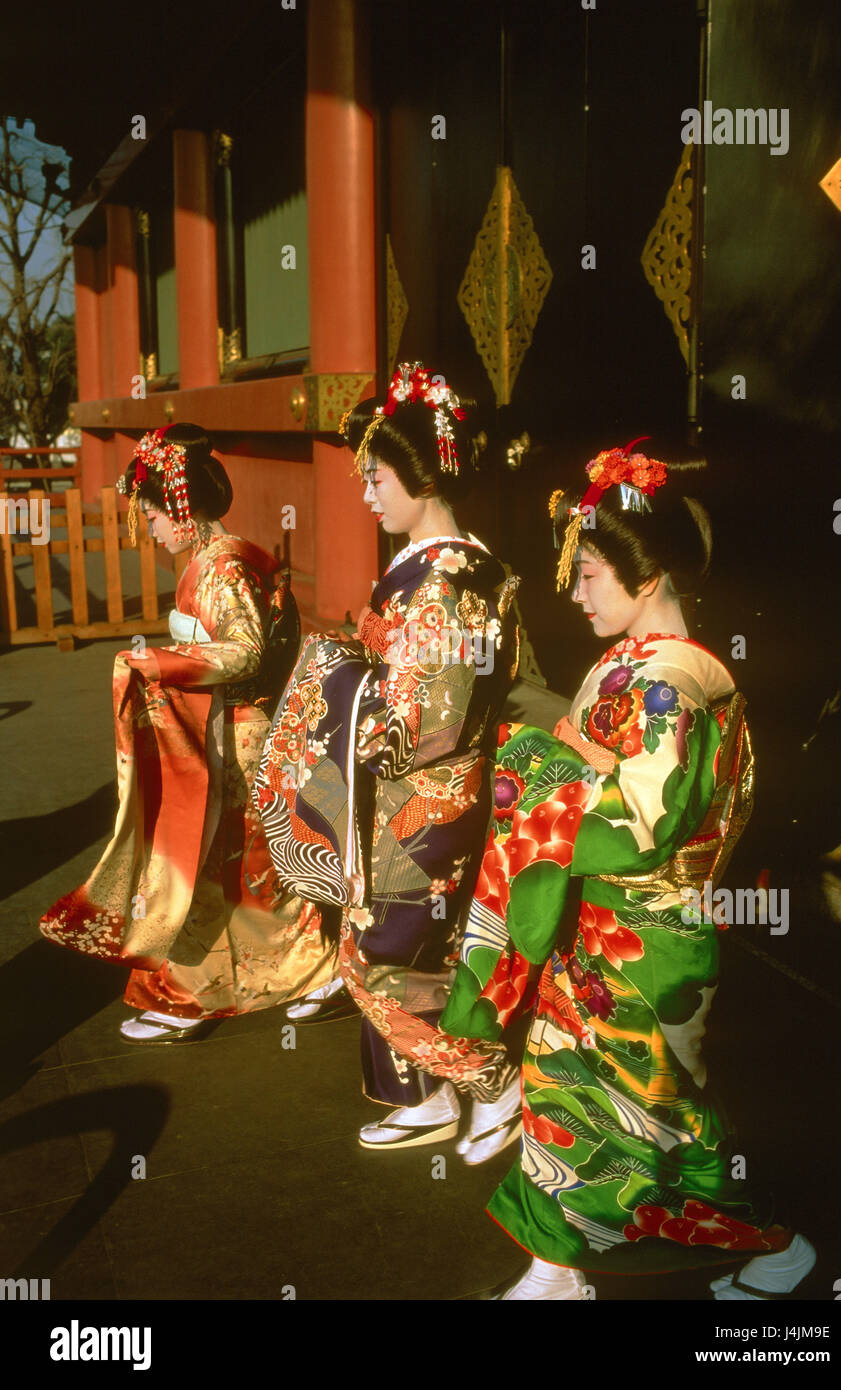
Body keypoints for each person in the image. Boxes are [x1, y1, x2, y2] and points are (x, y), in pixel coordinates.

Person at [440, 439, 816, 1298]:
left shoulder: (673, 686)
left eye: (589, 577)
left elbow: (639, 821)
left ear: (646, 579)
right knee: (565, 1094)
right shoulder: (630, 667)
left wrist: (533, 774)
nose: (573, 595)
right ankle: (559, 1269)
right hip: (598, 923)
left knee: (661, 1115)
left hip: (648, 932)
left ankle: (771, 1245)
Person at [254, 363, 522, 1159]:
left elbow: (424, 716)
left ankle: (490, 1080)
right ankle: (421, 1092)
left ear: (419, 473)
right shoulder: (453, 564)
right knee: (392, 939)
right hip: (418, 786)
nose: (366, 494)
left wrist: (335, 679)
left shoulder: (442, 582)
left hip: (424, 790)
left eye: (375, 477)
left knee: (386, 951)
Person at [40, 424, 337, 1043]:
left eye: (150, 515)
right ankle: (254, 977)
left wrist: (159, 663)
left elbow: (248, 651)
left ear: (180, 506)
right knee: (229, 868)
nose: (147, 528)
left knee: (225, 865)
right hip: (225, 725)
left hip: (241, 734)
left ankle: (208, 990)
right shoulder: (217, 562)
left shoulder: (222, 570)